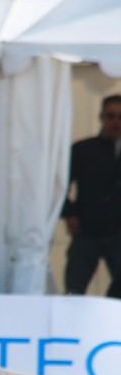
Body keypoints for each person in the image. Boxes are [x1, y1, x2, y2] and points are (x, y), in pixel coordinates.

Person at [61, 94, 121, 295]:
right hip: (87, 230)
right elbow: (60, 186)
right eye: (111, 116)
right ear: (102, 117)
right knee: (73, 290)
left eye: (120, 117)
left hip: (118, 232)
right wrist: (69, 214)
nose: (116, 122)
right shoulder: (82, 150)